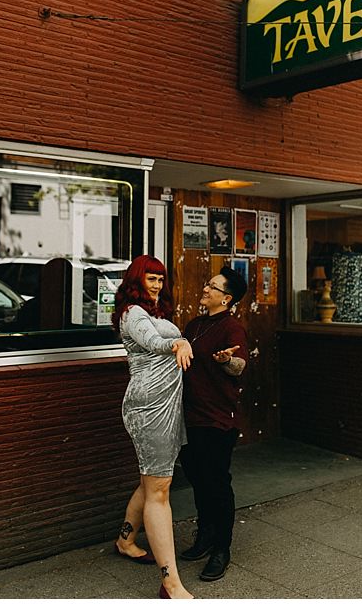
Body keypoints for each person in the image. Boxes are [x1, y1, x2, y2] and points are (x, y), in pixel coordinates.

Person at [110, 255, 196, 599]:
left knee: (152, 483)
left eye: (161, 278)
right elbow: (151, 342)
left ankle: (125, 540)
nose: (157, 284)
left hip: (168, 405)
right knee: (159, 489)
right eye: (150, 278)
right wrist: (178, 341)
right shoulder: (133, 313)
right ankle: (171, 583)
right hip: (148, 407)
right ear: (136, 280)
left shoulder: (155, 312)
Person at [176, 269, 250, 582]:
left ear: (227, 297)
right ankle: (205, 535)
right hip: (190, 416)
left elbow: (239, 365)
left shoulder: (232, 328)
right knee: (198, 477)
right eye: (207, 283)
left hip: (218, 419)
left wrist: (225, 362)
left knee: (217, 482)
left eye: (213, 286)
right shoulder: (194, 325)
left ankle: (222, 547)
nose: (206, 288)